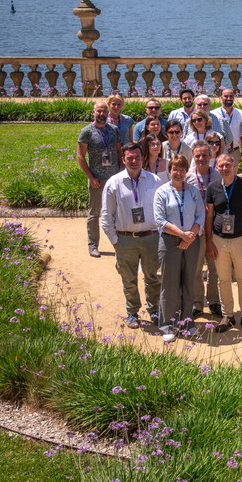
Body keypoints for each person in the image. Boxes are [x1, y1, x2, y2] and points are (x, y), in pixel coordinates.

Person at [100, 142, 161, 329]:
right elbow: (106, 216)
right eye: (130, 158)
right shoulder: (114, 182)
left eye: (137, 157)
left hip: (151, 236)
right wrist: (116, 242)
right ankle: (132, 312)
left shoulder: (155, 180)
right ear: (123, 159)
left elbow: (162, 211)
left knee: (152, 276)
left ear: (142, 158)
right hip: (125, 238)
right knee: (129, 278)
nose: (134, 161)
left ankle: (154, 310)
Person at [153, 155, 204, 342]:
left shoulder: (193, 192)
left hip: (191, 242)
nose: (179, 173)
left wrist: (190, 236)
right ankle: (168, 324)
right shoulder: (162, 192)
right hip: (169, 242)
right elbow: (160, 220)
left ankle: (188, 322)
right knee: (170, 284)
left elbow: (200, 216)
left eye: (182, 169)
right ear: (170, 169)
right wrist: (182, 235)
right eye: (175, 169)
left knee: (189, 281)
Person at [205, 153, 242, 334]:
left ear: (234, 166)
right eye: (221, 166)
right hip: (219, 240)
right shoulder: (212, 188)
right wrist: (209, 242)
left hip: (241, 239)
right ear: (217, 168)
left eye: (228, 165)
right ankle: (227, 315)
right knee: (223, 279)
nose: (225, 168)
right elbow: (209, 216)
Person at [78, 101, 122, 258]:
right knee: (94, 213)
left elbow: (118, 150)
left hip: (113, 178)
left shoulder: (114, 130)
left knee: (116, 212)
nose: (102, 114)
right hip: (96, 179)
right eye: (99, 111)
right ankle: (93, 245)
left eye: (104, 111)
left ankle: (119, 244)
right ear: (93, 112)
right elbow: (80, 156)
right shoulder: (86, 132)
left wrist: (121, 169)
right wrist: (91, 177)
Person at [185, 140, 221, 321]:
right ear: (193, 156)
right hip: (196, 230)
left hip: (215, 229)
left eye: (204, 155)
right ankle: (197, 304)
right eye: (197, 155)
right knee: (196, 269)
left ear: (211, 156)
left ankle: (214, 301)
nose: (201, 159)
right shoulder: (188, 177)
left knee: (215, 268)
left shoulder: (218, 175)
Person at [212, 88, 242, 166]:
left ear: (234, 98)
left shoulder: (240, 113)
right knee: (218, 175)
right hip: (219, 151)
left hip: (235, 150)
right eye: (226, 96)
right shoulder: (214, 114)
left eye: (231, 96)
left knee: (233, 176)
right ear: (221, 97)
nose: (228, 98)